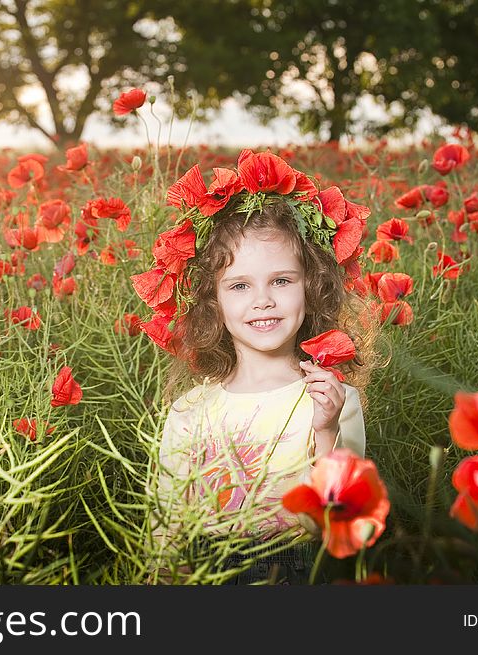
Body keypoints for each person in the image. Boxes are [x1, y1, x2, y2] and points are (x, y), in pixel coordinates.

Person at [134, 151, 380, 584]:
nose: (262, 300)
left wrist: (326, 431)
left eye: (281, 281)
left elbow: (341, 524)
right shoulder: (190, 411)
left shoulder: (334, 401)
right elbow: (167, 528)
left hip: (301, 571)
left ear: (312, 286)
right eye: (240, 285)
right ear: (213, 301)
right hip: (208, 574)